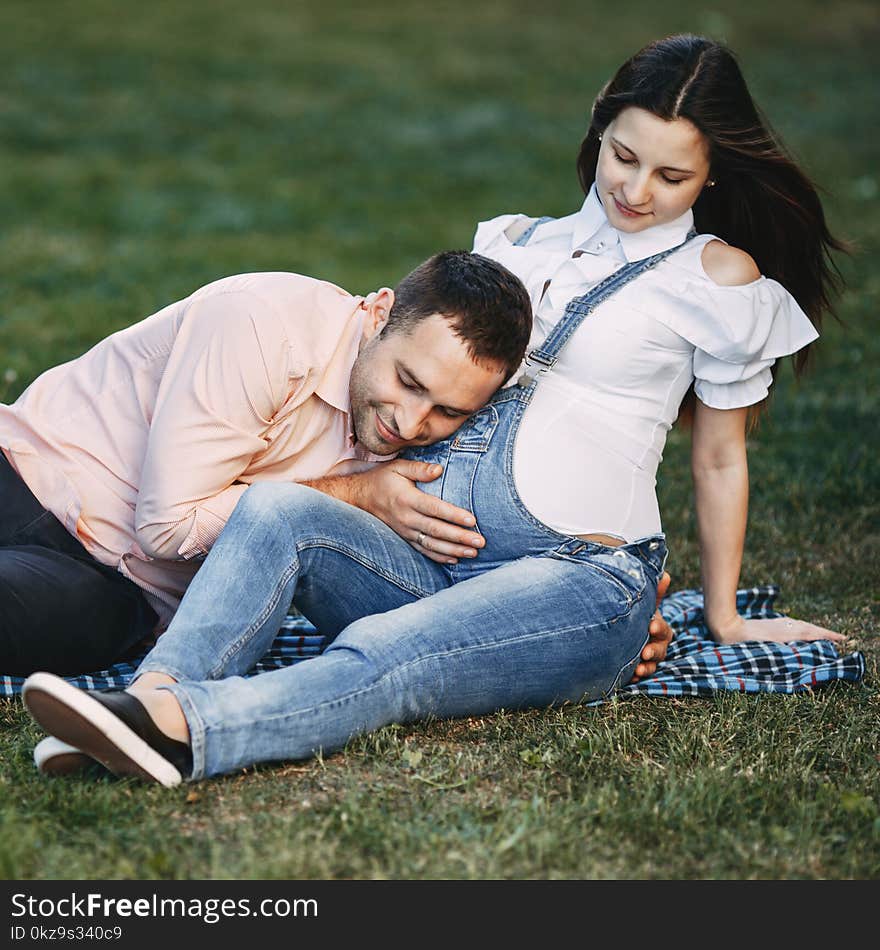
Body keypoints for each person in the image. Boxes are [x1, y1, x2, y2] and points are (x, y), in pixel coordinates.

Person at [23, 33, 845, 787]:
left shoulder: (717, 278)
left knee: (385, 652)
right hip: (430, 563)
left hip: (578, 576)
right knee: (278, 510)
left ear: (712, 177)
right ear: (599, 132)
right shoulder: (517, 245)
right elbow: (426, 374)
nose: (636, 189)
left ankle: (186, 732)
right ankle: (143, 702)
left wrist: (725, 615)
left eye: (672, 176)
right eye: (623, 157)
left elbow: (720, 454)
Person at [0, 251, 536, 674]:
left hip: (119, 589)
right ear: (378, 315)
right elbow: (167, 527)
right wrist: (356, 494)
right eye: (408, 382)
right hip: (24, 472)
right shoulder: (263, 326)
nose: (412, 423)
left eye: (446, 410)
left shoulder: (442, 437)